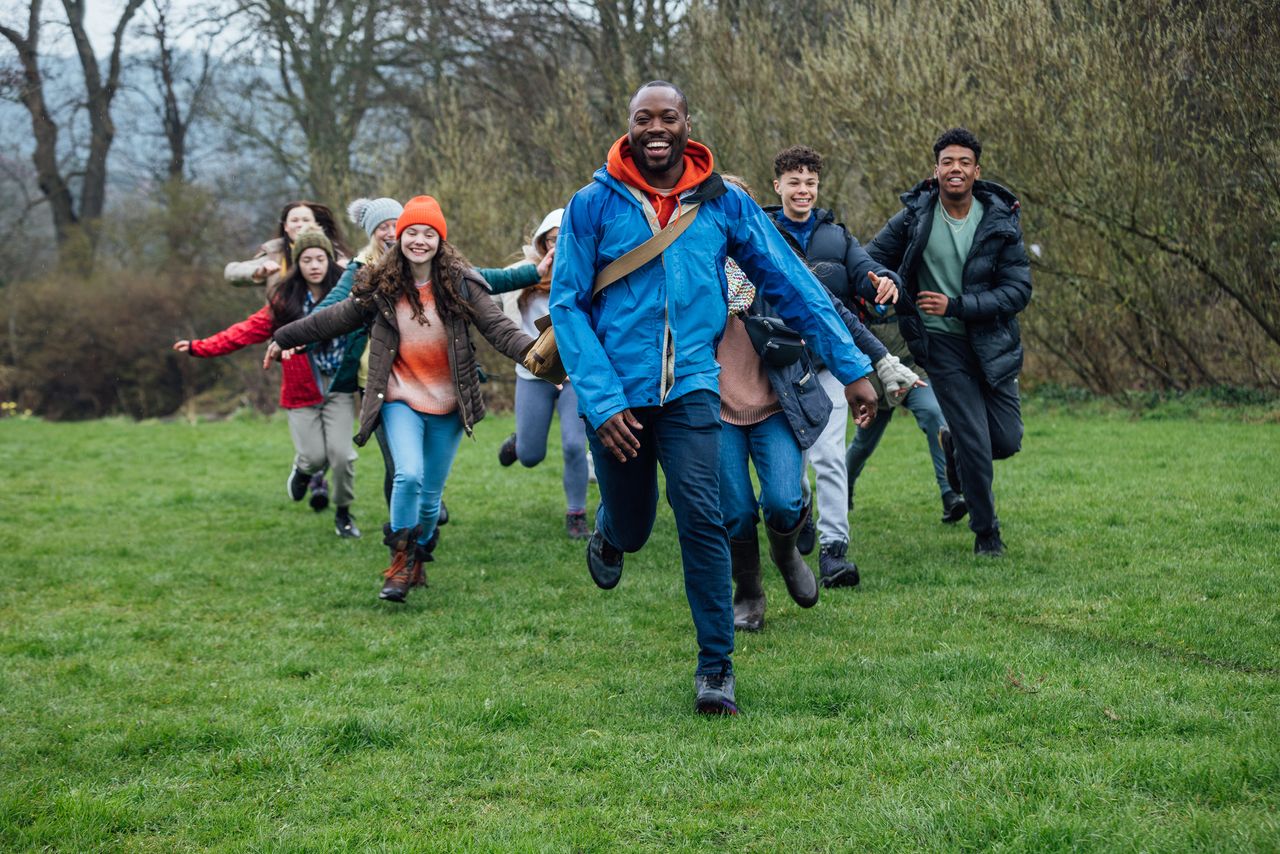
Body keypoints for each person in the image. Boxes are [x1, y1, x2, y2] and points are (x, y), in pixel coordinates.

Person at [549, 81, 879, 715]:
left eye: (666, 117)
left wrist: (853, 363)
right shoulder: (593, 205)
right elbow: (567, 305)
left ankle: (715, 668)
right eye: (642, 117)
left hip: (694, 389)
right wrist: (603, 400)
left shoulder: (721, 202)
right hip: (616, 394)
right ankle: (611, 531)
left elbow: (789, 282)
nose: (655, 128)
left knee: (704, 521)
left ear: (686, 125)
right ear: (628, 125)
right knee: (639, 523)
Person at [271, 196, 535, 601]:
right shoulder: (382, 285)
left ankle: (417, 553)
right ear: (400, 238)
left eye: (429, 234)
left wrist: (537, 358)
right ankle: (399, 562)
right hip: (398, 398)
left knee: (430, 500)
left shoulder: (461, 282)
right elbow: (333, 318)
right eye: (412, 232)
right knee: (406, 475)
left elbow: (498, 328)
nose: (419, 240)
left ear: (440, 240)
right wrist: (283, 337)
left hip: (448, 403)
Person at [716, 175, 908, 632]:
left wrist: (874, 364)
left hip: (777, 398)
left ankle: (787, 557)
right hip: (713, 404)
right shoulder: (691, 262)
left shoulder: (774, 255)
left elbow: (830, 309)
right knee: (737, 510)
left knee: (784, 500)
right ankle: (747, 589)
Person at [865, 128, 1031, 556]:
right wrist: (884, 286)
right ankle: (986, 533)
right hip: (940, 345)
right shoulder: (914, 217)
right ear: (935, 170)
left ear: (977, 170)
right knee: (977, 439)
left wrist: (957, 305)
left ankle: (953, 446)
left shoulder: (999, 222)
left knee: (1006, 440)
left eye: (963, 163)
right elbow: (870, 259)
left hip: (991, 343)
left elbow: (1018, 291)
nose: (954, 169)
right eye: (947, 162)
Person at [764, 144, 911, 588]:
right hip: (781, 368)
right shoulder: (762, 232)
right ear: (778, 186)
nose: (803, 190)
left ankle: (834, 552)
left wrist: (888, 282)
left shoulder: (838, 238)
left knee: (829, 456)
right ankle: (800, 511)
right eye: (795, 183)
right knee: (795, 465)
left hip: (829, 367)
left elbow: (868, 270)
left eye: (810, 183)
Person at [176, 229, 361, 538]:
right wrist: (200, 347)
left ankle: (343, 513)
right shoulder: (285, 303)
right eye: (306, 260)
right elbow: (243, 331)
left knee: (342, 456)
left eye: (320, 259)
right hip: (301, 390)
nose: (314, 265)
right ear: (296, 265)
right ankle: (303, 470)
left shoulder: (347, 295)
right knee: (315, 457)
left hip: (338, 387)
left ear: (330, 261)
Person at [495, 209, 591, 540]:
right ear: (541, 242)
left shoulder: (589, 272)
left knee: (575, 446)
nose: (559, 246)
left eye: (566, 239)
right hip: (533, 375)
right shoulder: (521, 275)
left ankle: (576, 513)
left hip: (574, 377)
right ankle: (520, 443)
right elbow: (483, 291)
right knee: (532, 456)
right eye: (553, 240)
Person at [844, 291, 967, 525]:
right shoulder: (853, 297)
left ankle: (950, 495)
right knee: (863, 443)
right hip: (874, 380)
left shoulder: (904, 288)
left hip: (913, 373)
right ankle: (844, 486)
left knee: (934, 415)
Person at [224, 201, 350, 290]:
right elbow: (232, 272)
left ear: (315, 224)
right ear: (286, 226)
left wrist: (347, 269)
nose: (300, 225)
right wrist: (259, 271)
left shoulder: (333, 253)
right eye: (294, 220)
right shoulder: (275, 253)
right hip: (284, 321)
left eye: (306, 220)